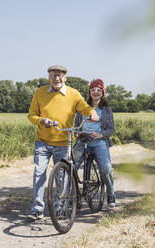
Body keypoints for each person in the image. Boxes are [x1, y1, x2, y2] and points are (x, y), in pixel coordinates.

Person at [27, 65, 98, 221]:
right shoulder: (40, 93)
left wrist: (92, 113)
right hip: (42, 142)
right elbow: (31, 115)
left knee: (61, 177)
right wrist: (41, 120)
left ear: (65, 77)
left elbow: (84, 107)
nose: (56, 78)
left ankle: (61, 208)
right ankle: (37, 210)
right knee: (39, 173)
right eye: (53, 75)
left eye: (59, 75)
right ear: (49, 77)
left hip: (63, 142)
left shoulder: (73, 94)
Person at [74, 79, 116, 207]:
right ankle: (73, 194)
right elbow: (77, 126)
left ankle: (110, 193)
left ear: (102, 93)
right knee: (70, 166)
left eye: (99, 90)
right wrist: (78, 133)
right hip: (83, 141)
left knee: (106, 169)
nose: (95, 92)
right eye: (93, 90)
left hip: (99, 142)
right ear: (89, 92)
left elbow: (110, 128)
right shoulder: (82, 108)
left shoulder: (106, 109)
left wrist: (100, 135)